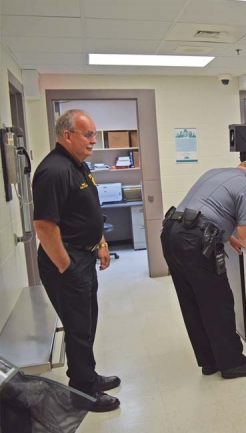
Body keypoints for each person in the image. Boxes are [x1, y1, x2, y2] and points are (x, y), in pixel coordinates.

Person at [32, 109, 120, 412]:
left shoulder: (78, 165)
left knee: (87, 322)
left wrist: (101, 242)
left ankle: (88, 376)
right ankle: (83, 392)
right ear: (67, 135)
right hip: (66, 261)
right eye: (88, 134)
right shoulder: (53, 170)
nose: (94, 140)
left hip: (84, 254)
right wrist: (66, 267)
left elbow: (86, 210)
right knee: (78, 326)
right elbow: (44, 226)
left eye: (94, 134)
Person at [160, 159, 246, 379]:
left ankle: (209, 361)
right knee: (218, 301)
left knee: (192, 301)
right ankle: (233, 363)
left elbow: (206, 209)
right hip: (195, 241)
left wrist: (228, 238)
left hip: (171, 233)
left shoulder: (214, 172)